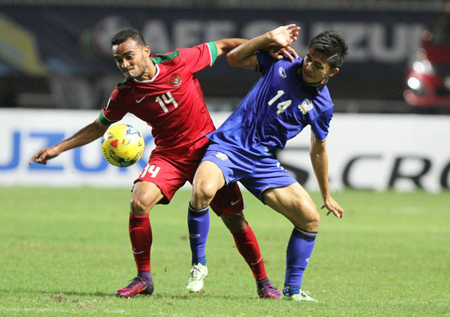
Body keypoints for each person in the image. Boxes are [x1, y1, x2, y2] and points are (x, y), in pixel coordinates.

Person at [29, 28, 285, 299]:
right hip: (169, 156)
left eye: (129, 57)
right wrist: (58, 148)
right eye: (119, 61)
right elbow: (98, 126)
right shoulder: (124, 94)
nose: (125, 65)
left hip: (208, 152)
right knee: (139, 201)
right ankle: (144, 278)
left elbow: (222, 45)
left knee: (234, 219)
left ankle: (263, 282)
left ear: (146, 51)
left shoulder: (179, 60)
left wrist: (262, 50)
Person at [190, 24, 347, 302]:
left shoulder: (322, 105)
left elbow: (318, 149)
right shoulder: (281, 63)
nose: (308, 65)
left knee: (310, 219)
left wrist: (326, 194)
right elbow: (234, 58)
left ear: (332, 72)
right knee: (202, 190)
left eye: (318, 65)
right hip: (230, 146)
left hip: (261, 162)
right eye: (309, 57)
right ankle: (199, 265)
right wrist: (268, 38)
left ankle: (293, 292)